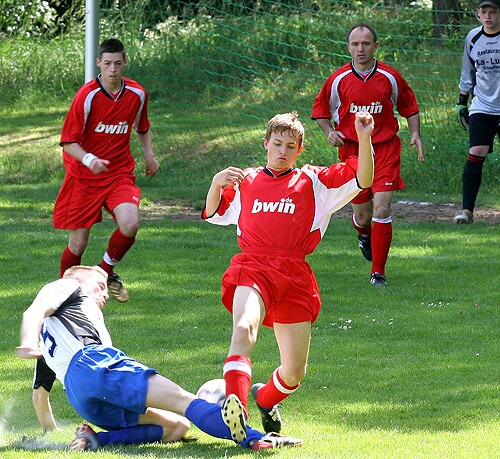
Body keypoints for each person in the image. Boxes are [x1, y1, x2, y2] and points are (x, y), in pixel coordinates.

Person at [203, 111, 374, 434]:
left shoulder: (314, 181)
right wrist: (215, 183)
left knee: (294, 372)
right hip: (253, 266)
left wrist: (364, 138)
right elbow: (214, 213)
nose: (283, 151)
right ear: (266, 143)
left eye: (290, 146)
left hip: (294, 274)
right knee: (244, 329)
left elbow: (363, 179)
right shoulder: (246, 180)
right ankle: (238, 415)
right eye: (277, 143)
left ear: (300, 150)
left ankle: (265, 398)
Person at [16, 265, 303, 451]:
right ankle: (255, 438)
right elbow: (33, 310)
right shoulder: (68, 285)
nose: (105, 294)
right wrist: (27, 342)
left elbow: (40, 395)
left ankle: (95, 439)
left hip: (81, 397)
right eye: (100, 285)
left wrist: (49, 432)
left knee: (177, 426)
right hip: (97, 365)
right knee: (184, 401)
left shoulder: (51, 336)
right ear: (79, 279)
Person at [311, 22, 424, 287]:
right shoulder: (337, 80)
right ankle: (364, 234)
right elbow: (320, 110)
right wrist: (329, 132)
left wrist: (415, 134)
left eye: (365, 44)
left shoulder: (390, 77)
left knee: (382, 207)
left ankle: (378, 272)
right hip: (353, 152)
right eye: (355, 44)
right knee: (363, 217)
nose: (360, 49)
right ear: (348, 47)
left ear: (375, 46)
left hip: (385, 149)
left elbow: (409, 106)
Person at [53, 38, 160, 302]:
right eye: (108, 63)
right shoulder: (87, 95)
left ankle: (104, 271)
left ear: (125, 63)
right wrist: (90, 160)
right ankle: (63, 296)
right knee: (78, 243)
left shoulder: (137, 94)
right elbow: (68, 141)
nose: (113, 69)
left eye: (118, 63)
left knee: (130, 223)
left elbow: (142, 127)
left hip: (118, 173)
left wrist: (149, 156)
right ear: (99, 63)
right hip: (83, 177)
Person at [453, 0, 500, 224]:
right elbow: (468, 70)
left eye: (493, 12)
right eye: (484, 12)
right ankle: (467, 211)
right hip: (483, 105)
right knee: (476, 151)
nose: (488, 16)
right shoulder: (473, 37)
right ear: (478, 14)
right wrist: (462, 100)